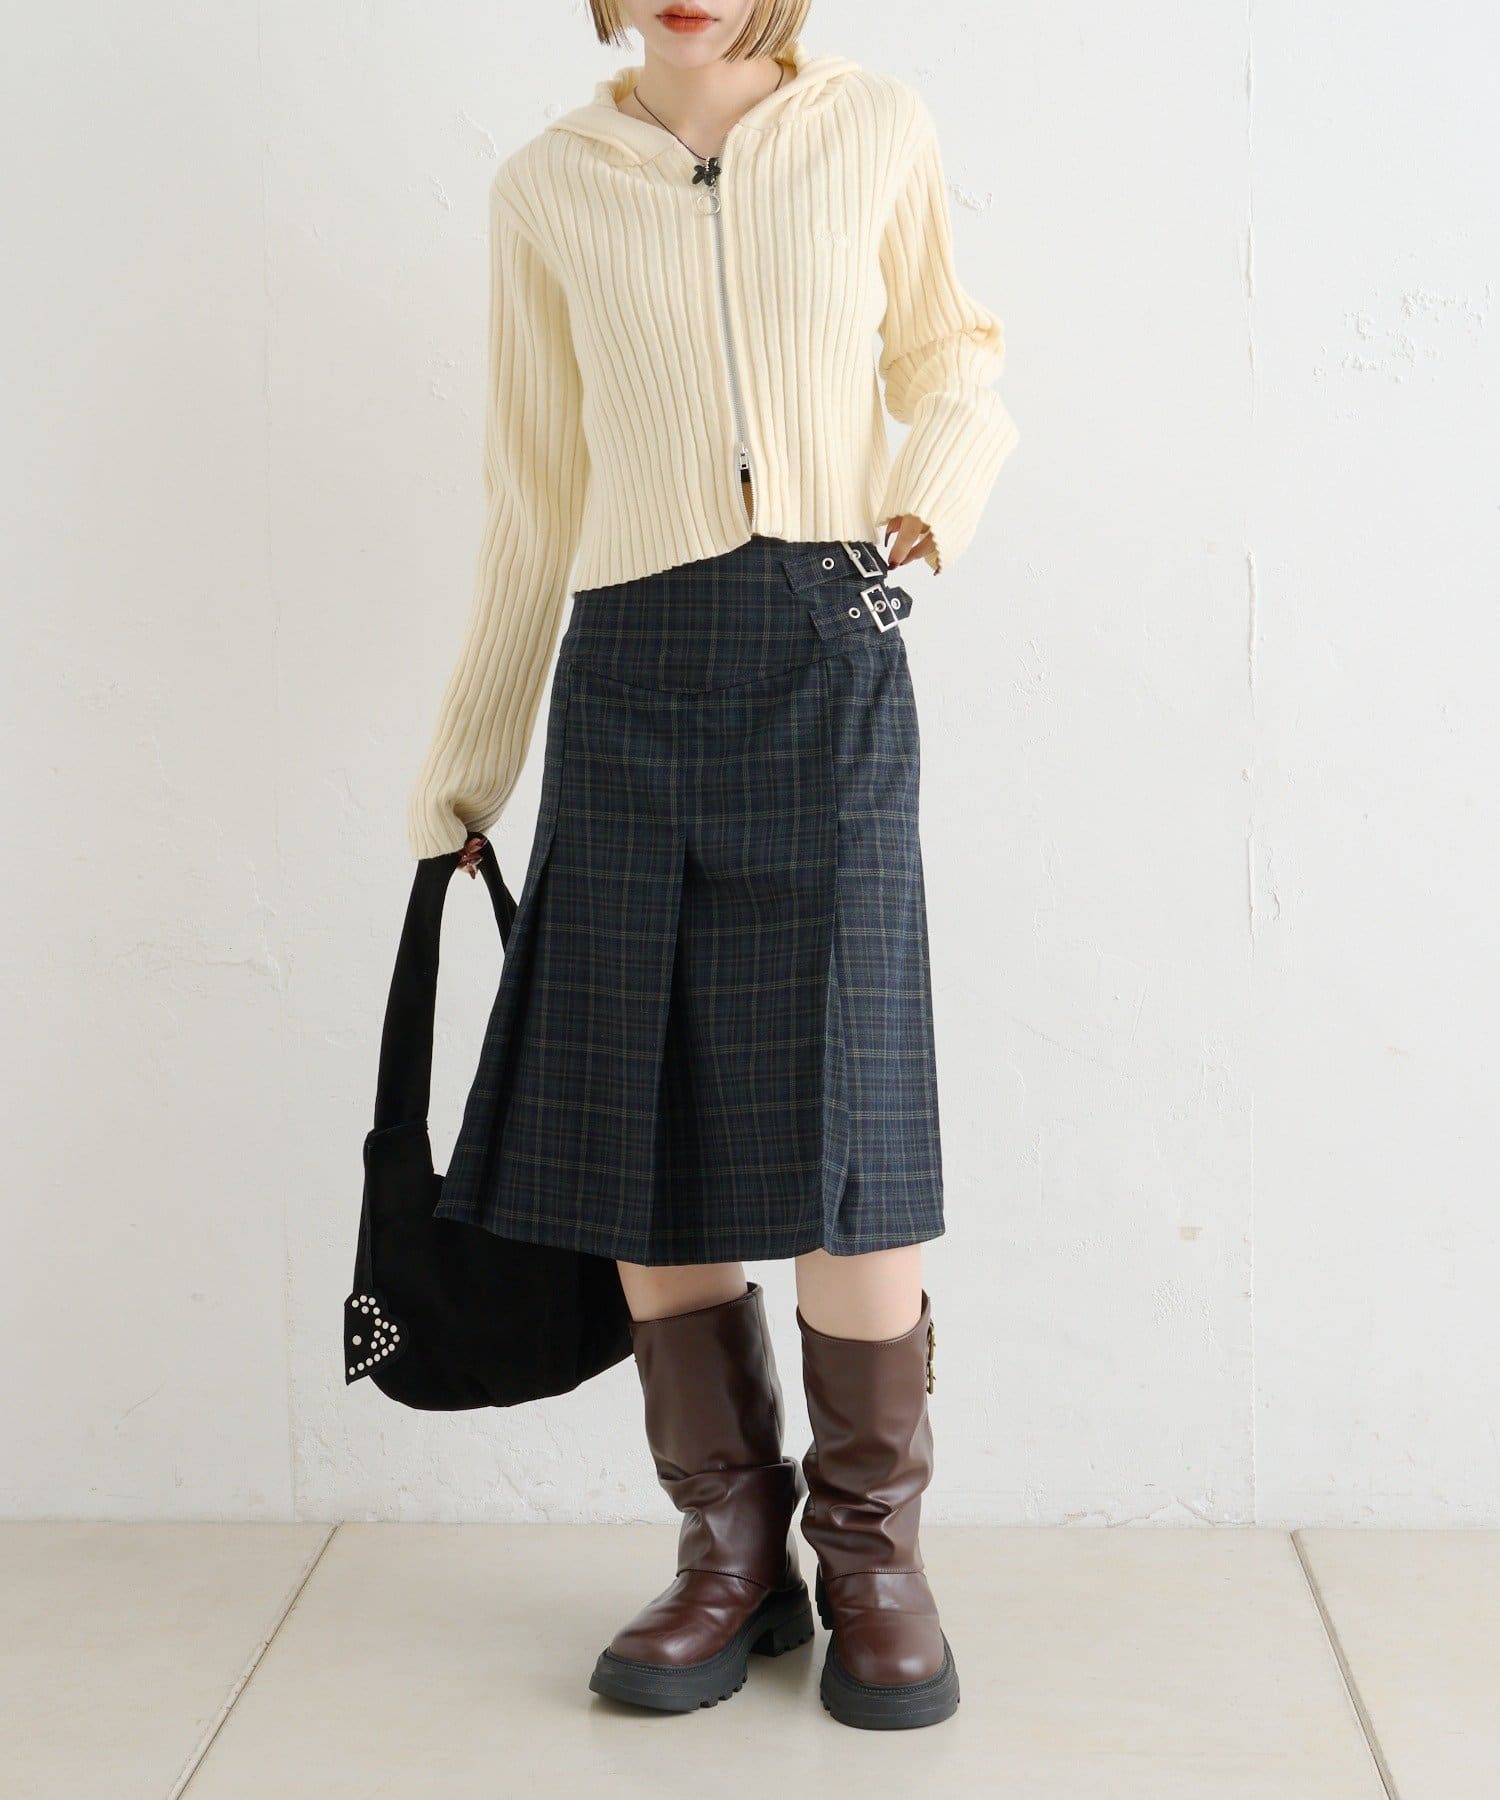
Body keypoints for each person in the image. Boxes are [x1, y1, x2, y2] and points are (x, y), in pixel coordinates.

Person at [404, 0, 1017, 1731]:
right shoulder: (547, 184)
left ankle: (874, 1555)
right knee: (642, 1111)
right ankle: (729, 1550)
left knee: (851, 1112)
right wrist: (467, 763)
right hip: (629, 674)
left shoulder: (872, 126)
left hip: (827, 640)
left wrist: (928, 503)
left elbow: (954, 358)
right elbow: (533, 494)